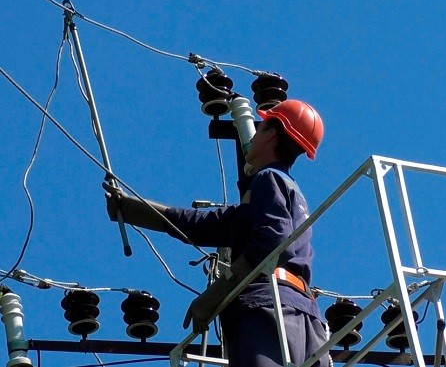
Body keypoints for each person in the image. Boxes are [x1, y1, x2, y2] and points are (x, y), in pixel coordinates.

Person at [104, 99, 329, 367]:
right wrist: (128, 208)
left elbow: (272, 243)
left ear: (270, 134)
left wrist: (214, 296)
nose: (253, 136)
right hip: (307, 321)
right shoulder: (290, 193)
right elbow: (198, 224)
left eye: (260, 129)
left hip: (268, 310)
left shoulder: (268, 179)